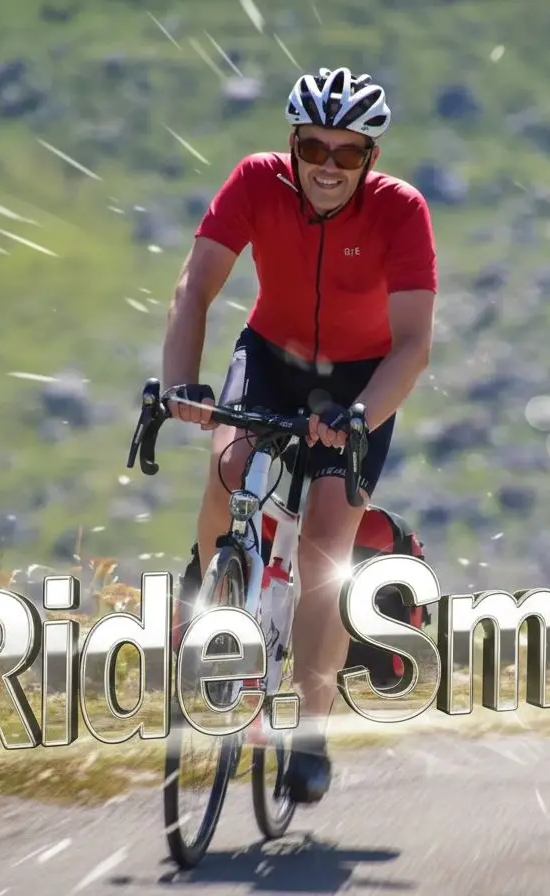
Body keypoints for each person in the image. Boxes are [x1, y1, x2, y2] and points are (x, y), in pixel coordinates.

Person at [159, 66, 438, 803]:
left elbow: (413, 345)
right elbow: (195, 286)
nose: (328, 166)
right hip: (271, 359)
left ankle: (311, 733)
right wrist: (181, 384)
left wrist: (360, 415)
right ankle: (214, 586)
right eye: (313, 148)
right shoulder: (256, 182)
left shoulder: (401, 210)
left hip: (360, 383)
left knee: (323, 547)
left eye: (348, 153)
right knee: (228, 471)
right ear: (292, 145)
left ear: (371, 157)